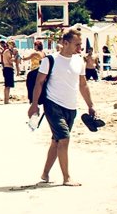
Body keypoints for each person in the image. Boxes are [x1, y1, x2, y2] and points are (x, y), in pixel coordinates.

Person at [27, 28, 97, 186]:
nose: (80, 48)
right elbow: (39, 83)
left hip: (71, 107)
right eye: (77, 44)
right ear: (65, 43)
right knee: (64, 138)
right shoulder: (50, 60)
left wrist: (90, 105)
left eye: (80, 44)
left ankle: (45, 174)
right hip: (53, 105)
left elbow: (83, 85)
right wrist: (34, 105)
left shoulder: (79, 61)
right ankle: (67, 178)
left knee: (57, 141)